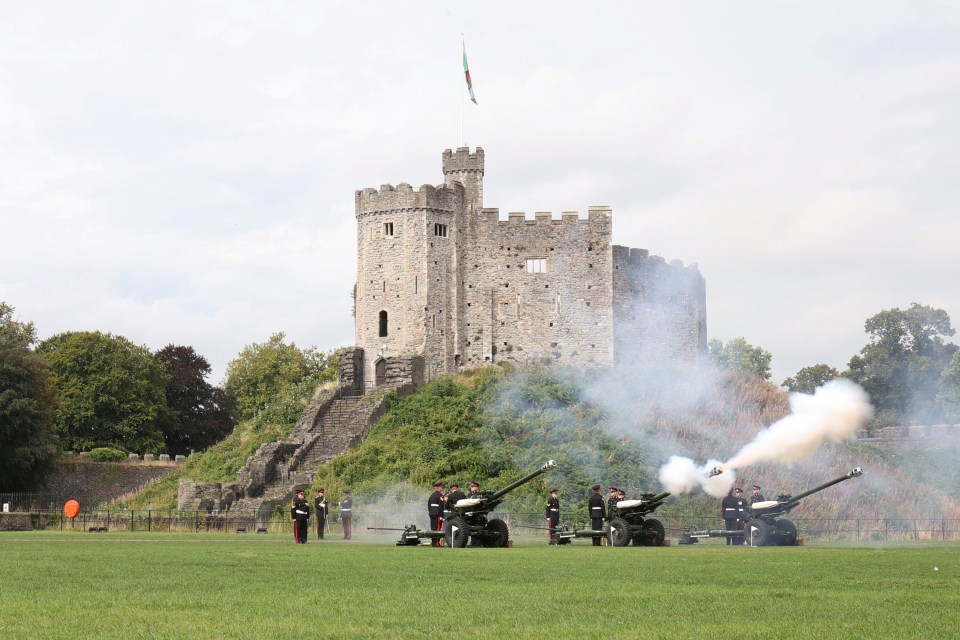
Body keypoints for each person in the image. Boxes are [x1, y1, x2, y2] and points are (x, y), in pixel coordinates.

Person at [427, 481, 445, 547]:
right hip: (437, 514)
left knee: (433, 528)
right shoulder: (441, 496)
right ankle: (437, 543)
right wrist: (441, 515)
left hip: (432, 513)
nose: (441, 488)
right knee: (437, 529)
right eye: (441, 487)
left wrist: (430, 512)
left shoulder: (431, 495)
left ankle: (434, 542)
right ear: (438, 488)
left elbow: (428, 505)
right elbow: (441, 506)